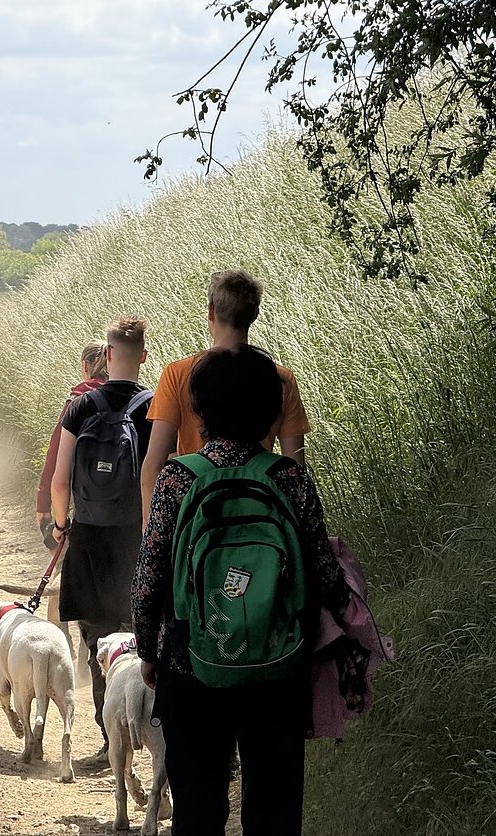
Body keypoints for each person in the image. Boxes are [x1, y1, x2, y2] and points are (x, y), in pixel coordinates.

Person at [131, 345, 350, 835]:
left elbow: (147, 579)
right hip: (278, 667)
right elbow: (323, 573)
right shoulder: (289, 478)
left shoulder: (177, 478)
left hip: (191, 663)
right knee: (273, 814)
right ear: (271, 412)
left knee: (198, 813)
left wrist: (150, 650)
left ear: (200, 411)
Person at [49, 316, 151, 761]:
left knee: (100, 643)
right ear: (143, 357)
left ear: (107, 357)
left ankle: (111, 742)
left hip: (88, 534)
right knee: (143, 635)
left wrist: (59, 524)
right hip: (137, 537)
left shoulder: (81, 406)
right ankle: (152, 732)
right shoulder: (155, 406)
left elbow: (59, 480)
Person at [141, 268, 310, 522]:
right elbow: (295, 466)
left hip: (195, 516)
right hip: (259, 517)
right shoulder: (280, 379)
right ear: (254, 314)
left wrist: (150, 530)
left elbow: (153, 465)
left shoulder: (178, 374)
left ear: (211, 311)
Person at [35, 342, 109, 535]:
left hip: (85, 500)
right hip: (125, 504)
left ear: (85, 366)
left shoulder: (78, 401)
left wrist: (44, 502)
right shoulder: (135, 398)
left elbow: (55, 453)